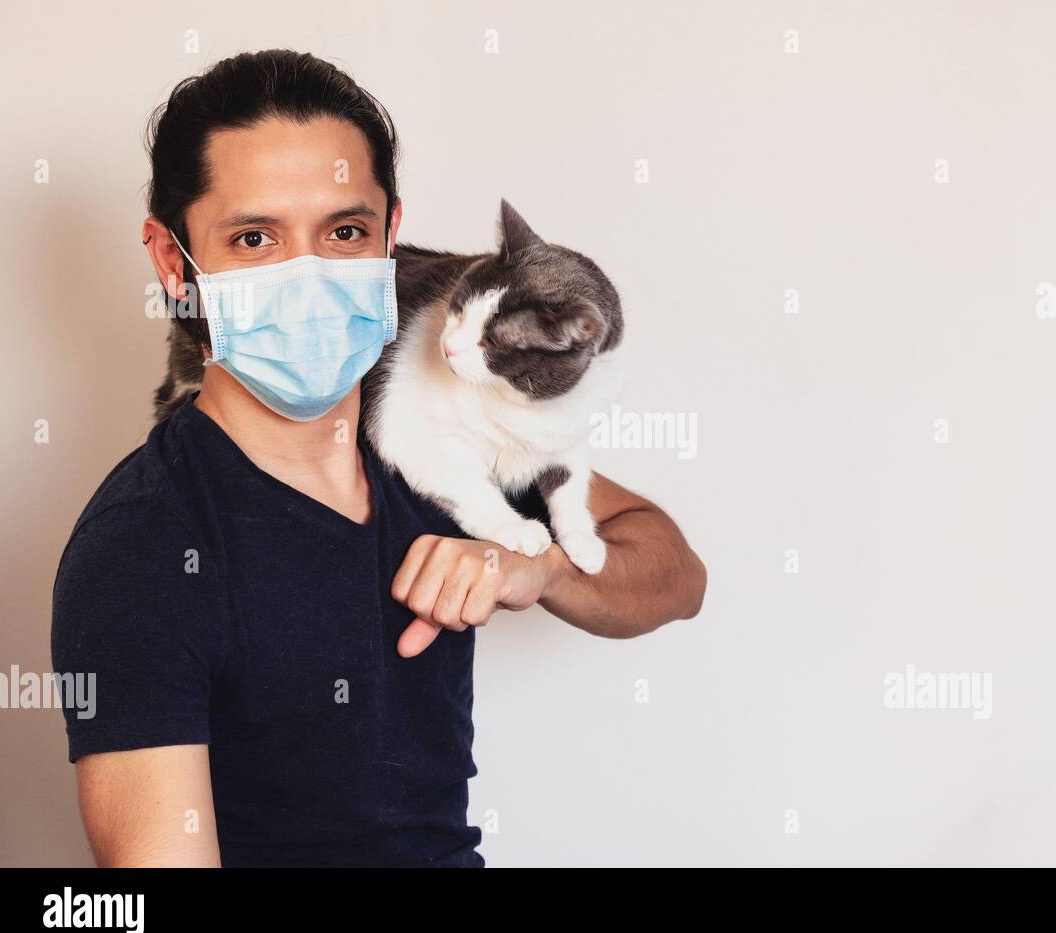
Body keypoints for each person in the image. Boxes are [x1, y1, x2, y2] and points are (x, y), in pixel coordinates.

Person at [50, 49, 705, 867]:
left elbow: (678, 577)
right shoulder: (144, 546)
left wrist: (539, 568)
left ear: (392, 235)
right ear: (171, 262)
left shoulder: (439, 437)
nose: (310, 275)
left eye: (345, 231)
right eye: (254, 237)